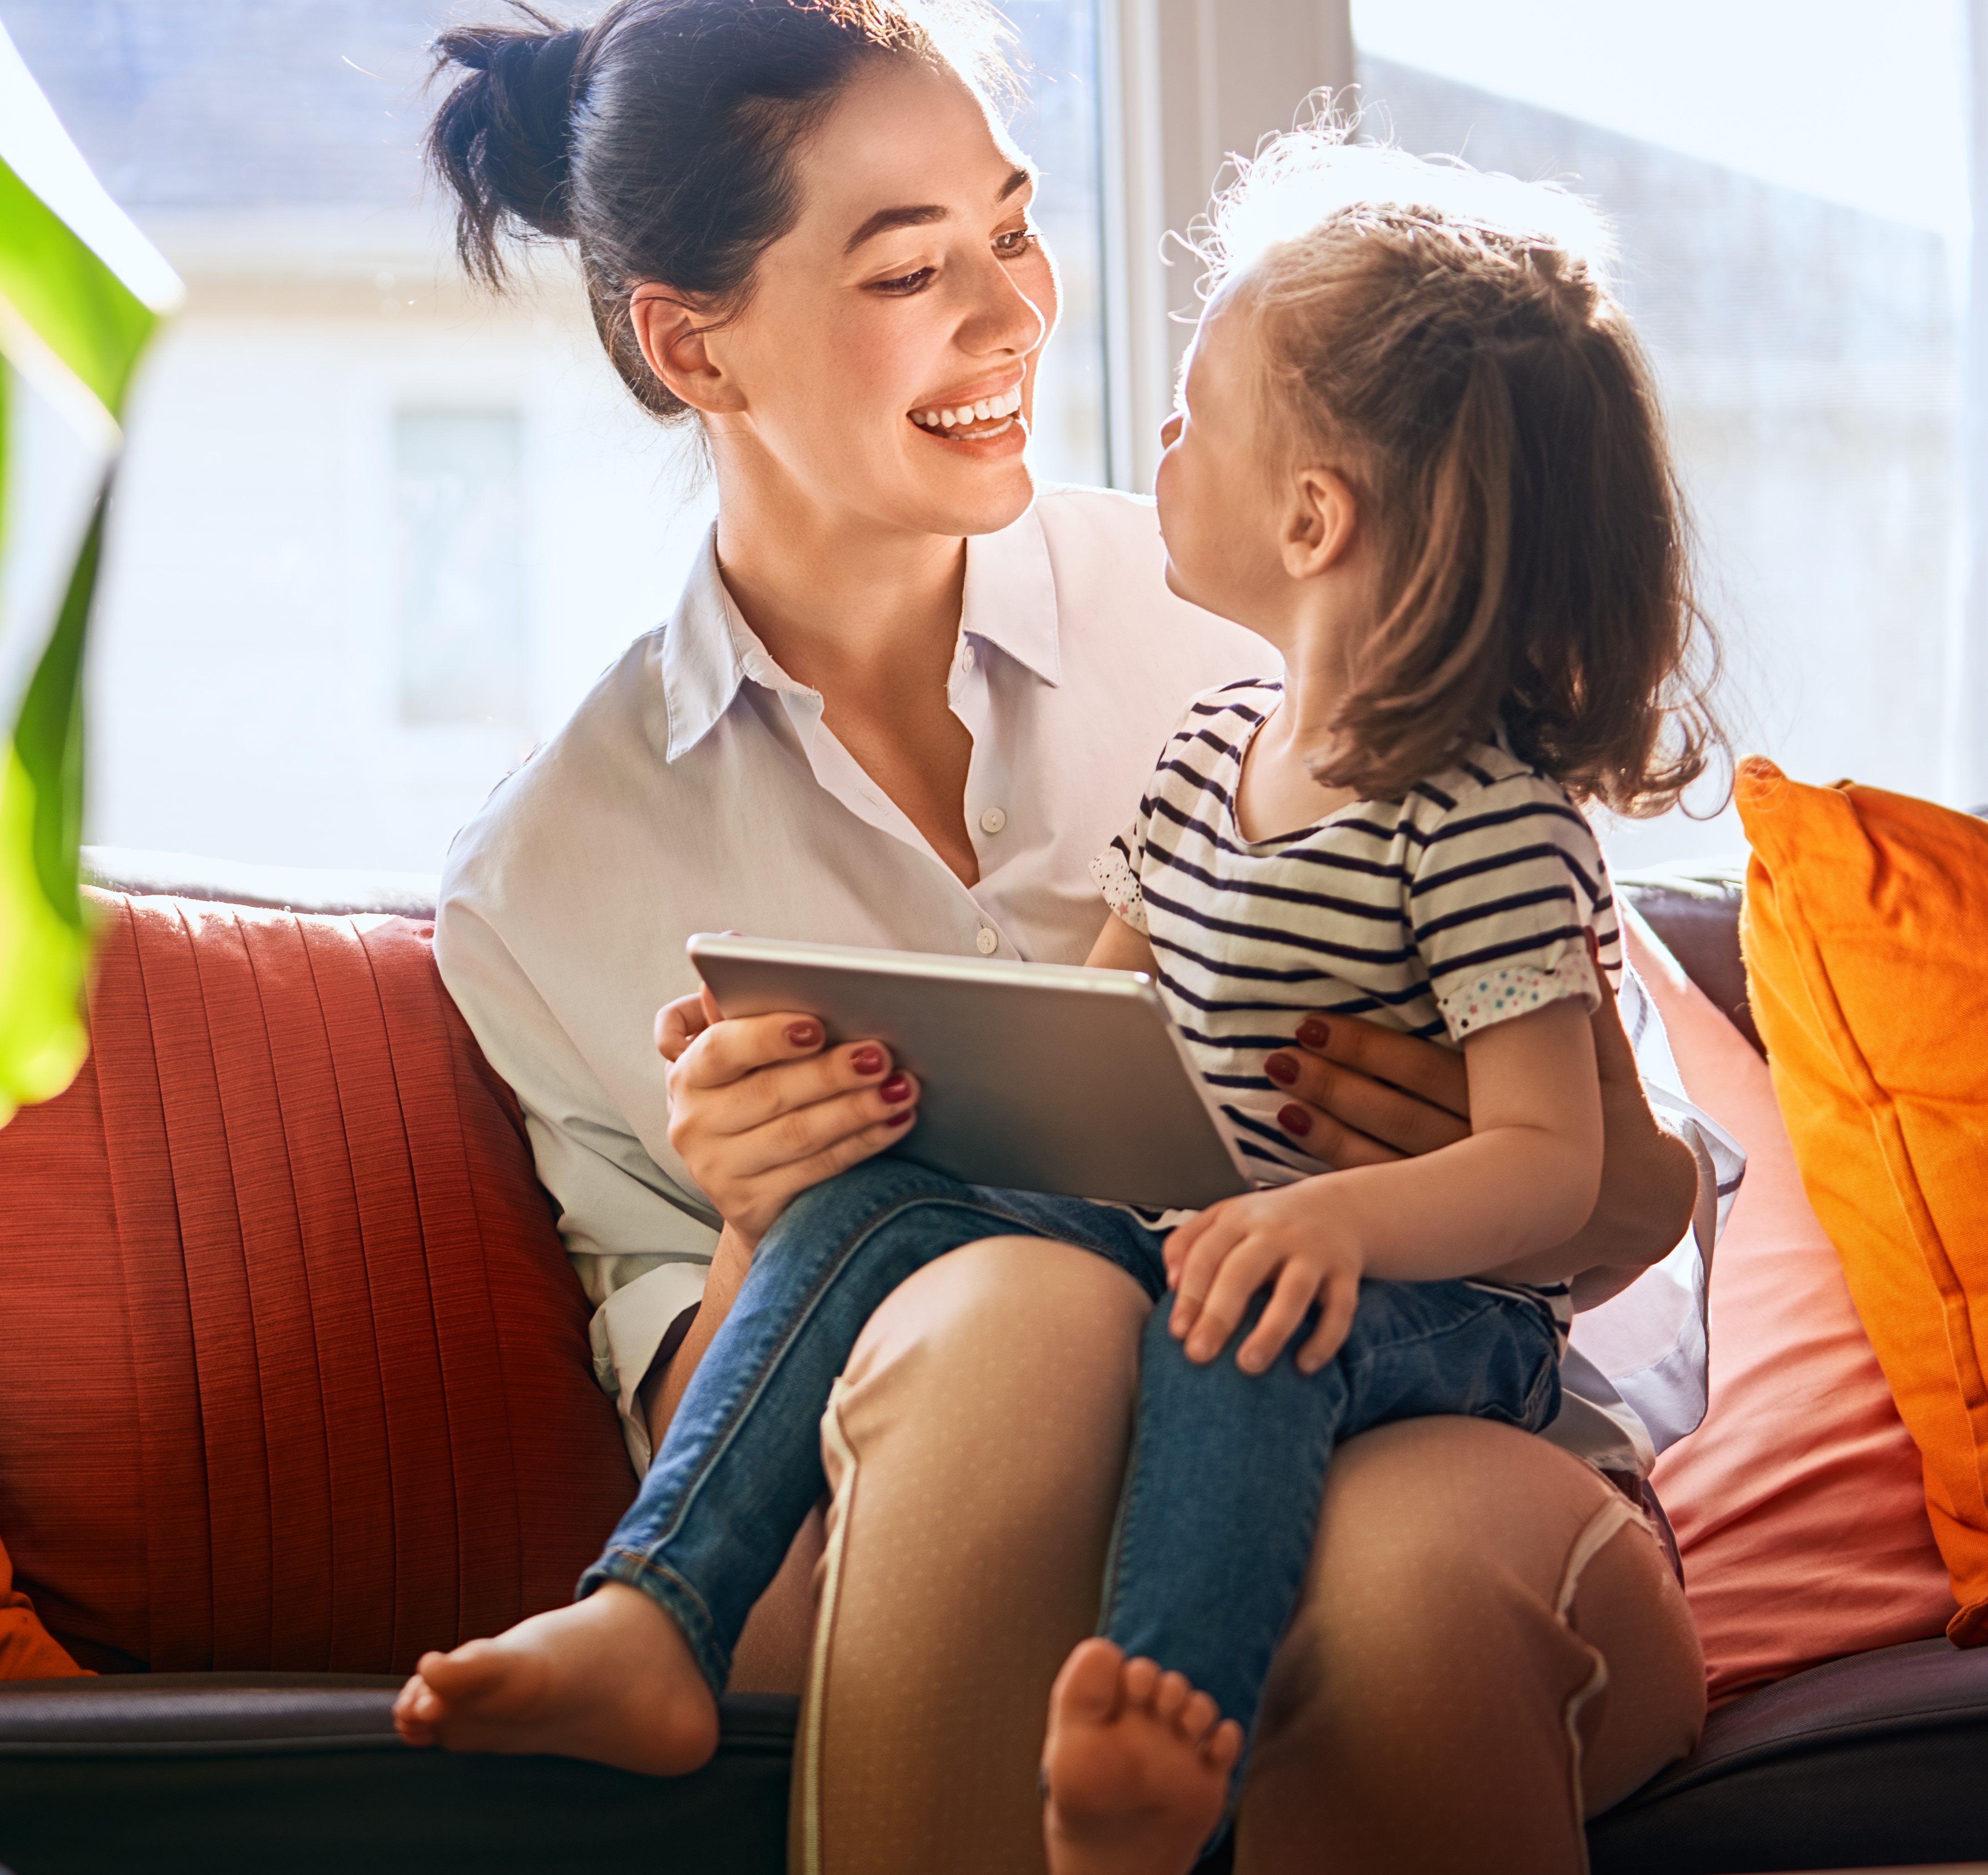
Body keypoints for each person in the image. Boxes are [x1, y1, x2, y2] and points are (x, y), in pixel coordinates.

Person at [398, 5, 1736, 1870]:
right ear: (691, 343)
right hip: (913, 1513)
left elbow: (1642, 1234)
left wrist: (1485, 1171)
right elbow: (720, 1439)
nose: (1014, 312)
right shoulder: (551, 879)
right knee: (1022, 1307)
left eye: (1010, 227)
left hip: (1422, 1422)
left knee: (1398, 1594)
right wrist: (754, 1216)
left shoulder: (1312, 598)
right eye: (905, 267)